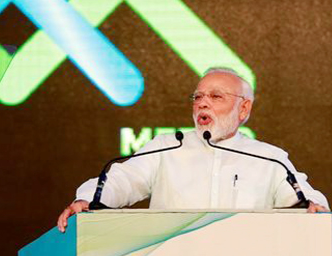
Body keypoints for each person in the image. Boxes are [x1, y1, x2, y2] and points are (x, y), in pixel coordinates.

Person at [57, 68, 330, 232]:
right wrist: (89, 200)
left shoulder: (269, 158)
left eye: (216, 97)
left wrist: (314, 208)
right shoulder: (166, 147)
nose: (202, 104)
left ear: (244, 108)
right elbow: (122, 180)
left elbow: (301, 198)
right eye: (197, 97)